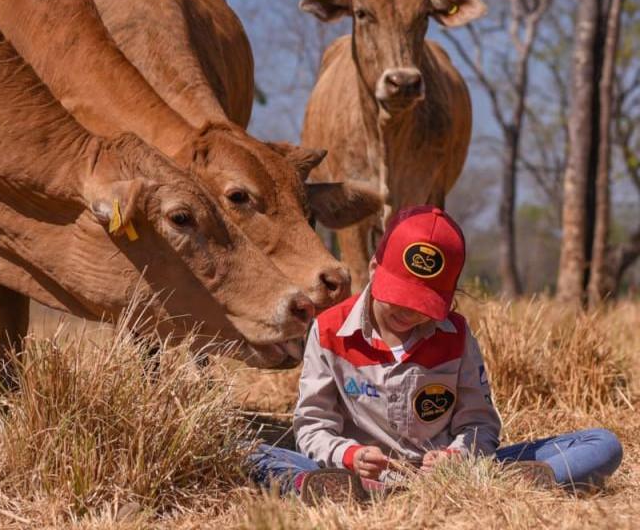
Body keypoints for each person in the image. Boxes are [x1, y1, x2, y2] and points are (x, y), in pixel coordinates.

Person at [249, 205, 623, 502]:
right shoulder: (330, 330)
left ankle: (515, 483)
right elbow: (312, 427)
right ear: (374, 268)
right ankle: (339, 489)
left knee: (603, 444)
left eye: (422, 304)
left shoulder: (456, 335)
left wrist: (457, 457)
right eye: (398, 296)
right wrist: (350, 456)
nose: (406, 312)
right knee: (248, 451)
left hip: (451, 476)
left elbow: (481, 425)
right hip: (355, 477)